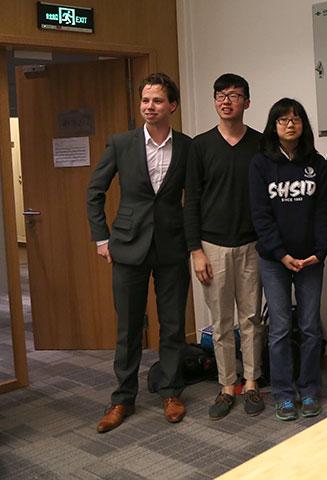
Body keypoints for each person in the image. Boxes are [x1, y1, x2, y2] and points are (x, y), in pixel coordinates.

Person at [87, 73, 192, 433]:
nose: (149, 107)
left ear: (172, 106)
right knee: (128, 326)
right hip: (128, 245)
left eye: (157, 101)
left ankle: (171, 391)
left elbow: (193, 200)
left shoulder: (187, 146)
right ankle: (122, 399)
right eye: (145, 101)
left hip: (171, 246)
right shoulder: (121, 143)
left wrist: (195, 245)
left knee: (173, 325)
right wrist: (101, 239)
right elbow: (94, 192)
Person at [184, 73, 265, 419]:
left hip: (252, 244)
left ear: (247, 102)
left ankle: (251, 383)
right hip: (211, 245)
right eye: (221, 95)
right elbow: (191, 202)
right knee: (220, 322)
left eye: (235, 95)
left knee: (250, 319)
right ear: (214, 101)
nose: (227, 100)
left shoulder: (261, 144)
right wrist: (196, 250)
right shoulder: (199, 146)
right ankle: (225, 385)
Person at [248, 98, 327, 421]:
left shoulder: (317, 163)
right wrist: (281, 255)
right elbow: (261, 215)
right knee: (280, 327)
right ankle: (284, 393)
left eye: (296, 119)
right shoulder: (260, 164)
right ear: (274, 125)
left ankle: (309, 389)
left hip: (311, 259)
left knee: (310, 327)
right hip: (273, 260)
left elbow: (324, 212)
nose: (290, 124)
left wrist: (319, 252)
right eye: (283, 119)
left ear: (303, 125)